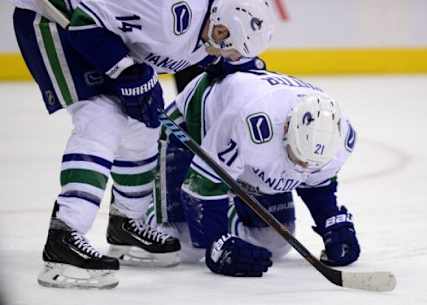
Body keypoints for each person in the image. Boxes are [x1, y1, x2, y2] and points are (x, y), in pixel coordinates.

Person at [12, 0, 275, 288]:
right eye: (231, 47)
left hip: (101, 34)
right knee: (102, 117)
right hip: (53, 19)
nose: (231, 55)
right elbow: (83, 20)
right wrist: (126, 71)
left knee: (143, 127)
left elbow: (211, 59)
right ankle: (64, 236)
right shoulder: (167, 14)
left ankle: (127, 224)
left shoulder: (211, 28)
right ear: (220, 28)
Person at [149, 69, 361, 277]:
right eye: (298, 158)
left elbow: (318, 184)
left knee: (273, 242)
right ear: (286, 129)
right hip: (194, 128)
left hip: (241, 152)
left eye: (311, 164)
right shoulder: (252, 123)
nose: (303, 169)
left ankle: (228, 208)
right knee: (184, 246)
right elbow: (204, 184)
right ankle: (142, 212)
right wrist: (217, 242)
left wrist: (331, 222)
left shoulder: (342, 139)